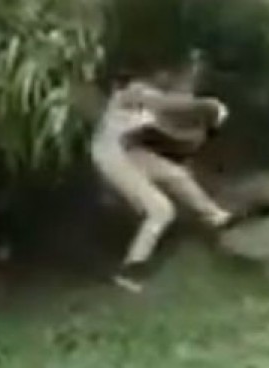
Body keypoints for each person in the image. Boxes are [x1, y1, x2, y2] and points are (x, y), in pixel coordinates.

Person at [89, 72, 236, 292]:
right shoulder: (131, 92)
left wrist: (208, 125)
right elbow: (169, 104)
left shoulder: (153, 103)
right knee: (161, 210)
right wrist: (209, 106)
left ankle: (216, 216)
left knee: (176, 174)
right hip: (110, 155)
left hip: (130, 151)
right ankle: (130, 269)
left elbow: (180, 131)